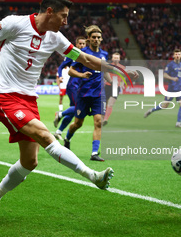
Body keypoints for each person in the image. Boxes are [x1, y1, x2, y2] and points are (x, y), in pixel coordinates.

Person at [0, 0, 114, 224]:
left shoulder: (56, 38)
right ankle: (93, 176)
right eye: (63, 16)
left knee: (29, 162)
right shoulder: (14, 23)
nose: (66, 22)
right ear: (49, 11)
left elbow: (83, 58)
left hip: (29, 100)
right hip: (5, 96)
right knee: (45, 134)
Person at [63, 25, 109, 162]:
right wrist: (82, 75)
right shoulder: (82, 53)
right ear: (89, 38)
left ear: (101, 39)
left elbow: (105, 71)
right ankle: (67, 138)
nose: (96, 39)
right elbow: (71, 71)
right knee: (78, 123)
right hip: (83, 94)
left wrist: (112, 82)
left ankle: (94, 153)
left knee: (98, 122)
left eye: (98, 37)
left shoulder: (104, 55)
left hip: (99, 94)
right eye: (93, 37)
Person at [144, 49, 181, 128]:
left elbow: (179, 74)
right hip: (172, 88)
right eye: (176, 54)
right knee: (165, 106)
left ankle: (178, 123)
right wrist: (173, 78)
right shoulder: (170, 65)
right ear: (173, 56)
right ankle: (151, 110)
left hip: (180, 88)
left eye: (179, 54)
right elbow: (165, 75)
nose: (177, 56)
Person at [54, 36, 86, 140]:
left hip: (82, 86)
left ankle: (59, 131)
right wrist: (60, 75)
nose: (81, 45)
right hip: (73, 86)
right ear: (76, 45)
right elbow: (61, 66)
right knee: (78, 108)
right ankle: (60, 114)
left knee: (73, 112)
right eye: (80, 44)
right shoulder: (73, 55)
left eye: (83, 44)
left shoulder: (88, 55)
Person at [103, 52, 127, 126]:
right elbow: (104, 74)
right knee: (105, 103)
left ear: (119, 59)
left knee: (110, 104)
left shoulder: (122, 68)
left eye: (117, 58)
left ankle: (105, 119)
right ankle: (103, 116)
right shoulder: (108, 66)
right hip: (107, 86)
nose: (116, 59)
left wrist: (122, 84)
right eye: (114, 58)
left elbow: (124, 76)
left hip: (116, 87)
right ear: (112, 58)